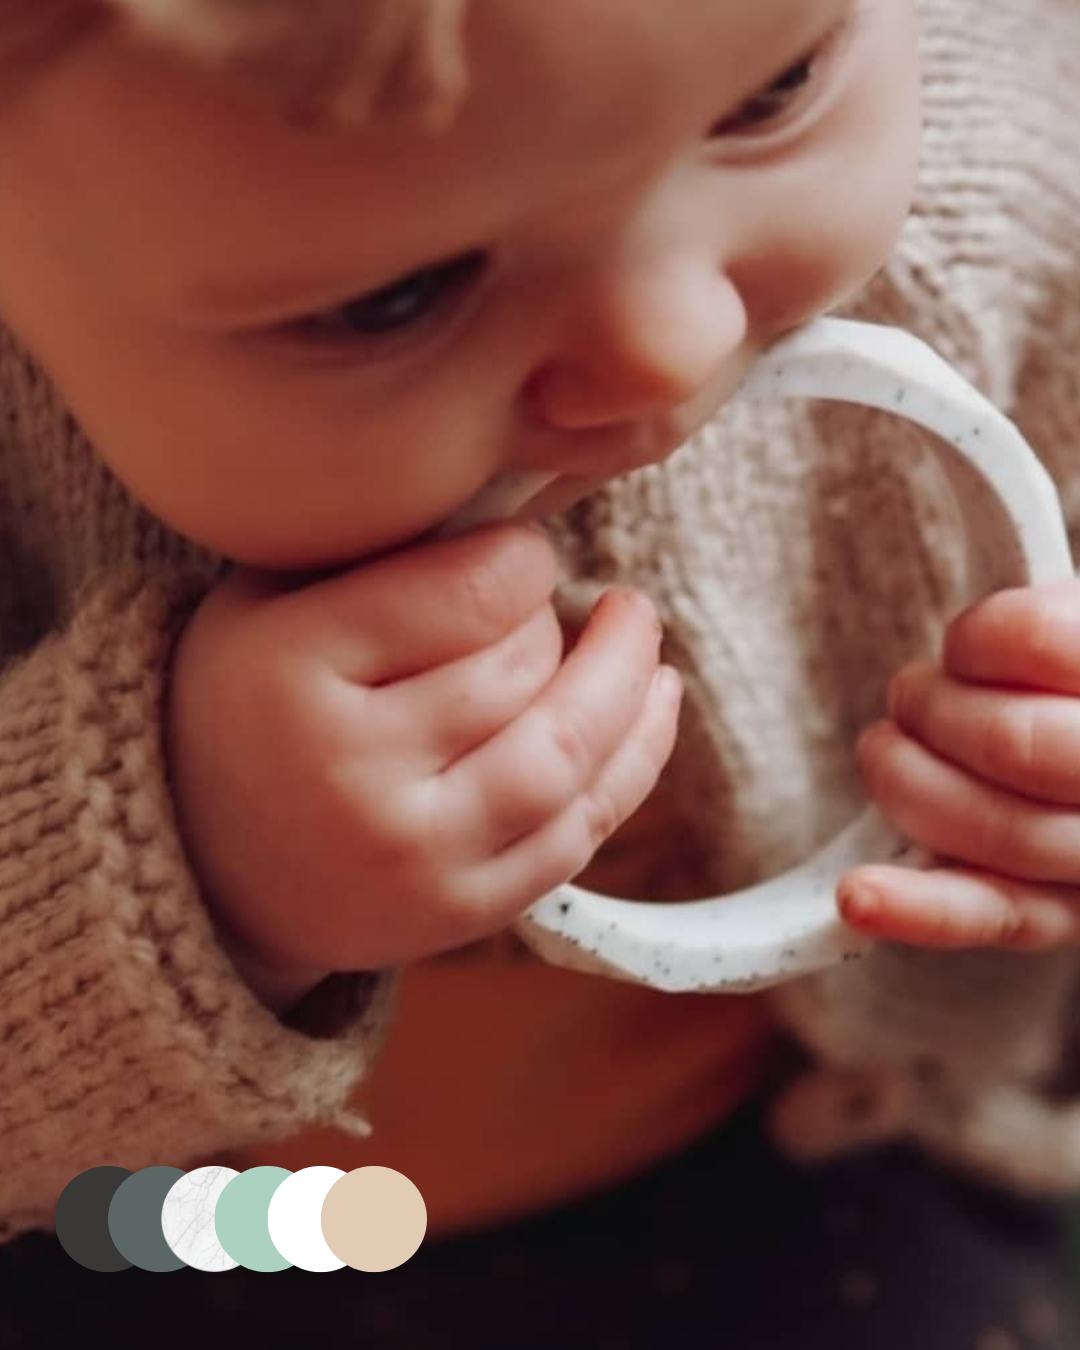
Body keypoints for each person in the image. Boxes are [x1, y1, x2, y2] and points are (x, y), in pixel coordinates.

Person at [0, 0, 1079, 1344]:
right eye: (395, 293)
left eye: (776, 91)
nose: (670, 345)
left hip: (813, 1152)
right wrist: (183, 864)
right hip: (134, 1242)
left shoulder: (1032, 166)